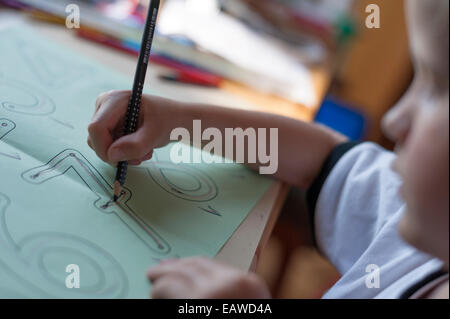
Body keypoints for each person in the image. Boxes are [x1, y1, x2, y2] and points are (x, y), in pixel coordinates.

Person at [87, 0, 449, 298]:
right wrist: (177, 121)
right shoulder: (425, 232)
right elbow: (319, 158)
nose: (393, 120)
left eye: (435, 89)